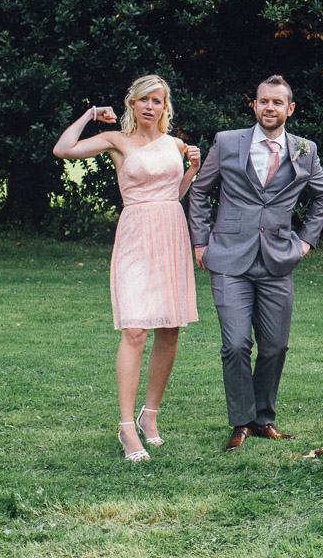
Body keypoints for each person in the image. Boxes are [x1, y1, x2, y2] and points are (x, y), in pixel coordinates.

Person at [53, 74, 200, 462]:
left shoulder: (176, 145)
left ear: (165, 106)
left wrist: (192, 170)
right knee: (134, 329)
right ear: (131, 104)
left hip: (171, 232)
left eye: (158, 100)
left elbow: (174, 193)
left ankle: (149, 416)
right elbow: (63, 149)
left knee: (169, 327)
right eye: (144, 100)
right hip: (135, 235)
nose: (150, 106)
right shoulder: (117, 140)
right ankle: (125, 427)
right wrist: (88, 114)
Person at [188, 75, 323, 453]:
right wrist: (200, 242)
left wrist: (305, 241)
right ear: (254, 105)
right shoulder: (226, 141)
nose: (269, 108)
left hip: (277, 259)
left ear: (290, 109)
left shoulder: (305, 150)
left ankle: (263, 418)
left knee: (275, 346)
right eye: (263, 101)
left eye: (277, 102)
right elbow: (201, 192)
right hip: (228, 258)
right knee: (235, 345)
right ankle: (240, 422)